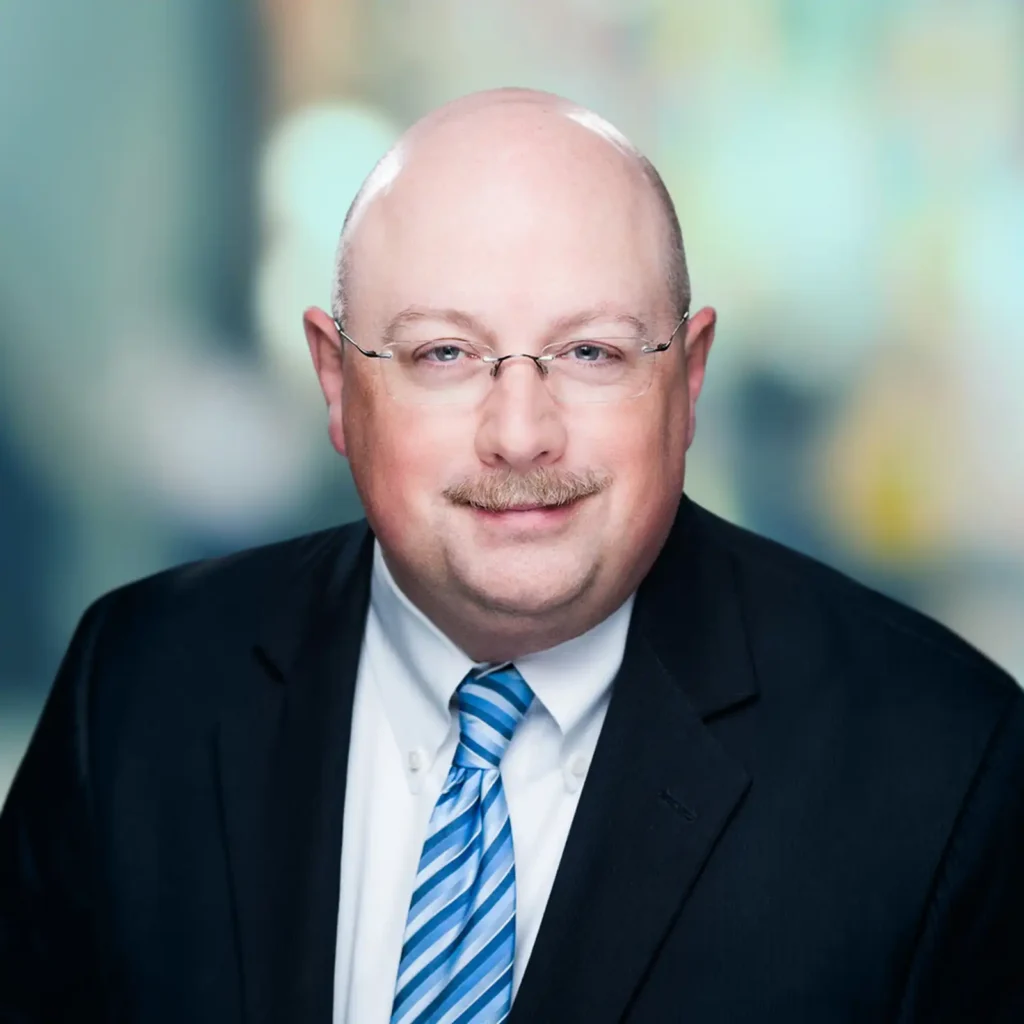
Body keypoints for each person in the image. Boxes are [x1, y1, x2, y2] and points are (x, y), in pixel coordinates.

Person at [1, 87, 1021, 1024]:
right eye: (444, 353)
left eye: (592, 353)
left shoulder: (945, 768)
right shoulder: (132, 691)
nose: (522, 433)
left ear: (691, 377)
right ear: (333, 381)